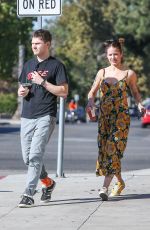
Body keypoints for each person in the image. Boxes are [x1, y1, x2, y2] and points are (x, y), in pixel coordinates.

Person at [86, 39, 145, 201]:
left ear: (121, 55)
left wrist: (140, 104)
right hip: (104, 118)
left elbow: (135, 93)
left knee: (113, 149)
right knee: (107, 152)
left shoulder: (129, 74)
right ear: (106, 55)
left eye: (116, 54)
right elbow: (92, 92)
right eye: (110, 55)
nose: (113, 57)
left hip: (121, 119)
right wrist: (90, 102)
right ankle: (119, 182)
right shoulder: (102, 73)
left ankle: (104, 187)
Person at [18, 29, 68, 207]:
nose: (33, 46)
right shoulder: (28, 65)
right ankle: (48, 183)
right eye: (32, 43)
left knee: (36, 155)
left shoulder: (57, 66)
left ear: (47, 44)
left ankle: (28, 194)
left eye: (37, 43)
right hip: (27, 116)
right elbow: (22, 88)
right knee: (27, 158)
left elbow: (63, 92)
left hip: (46, 116)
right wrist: (22, 92)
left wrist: (44, 82)